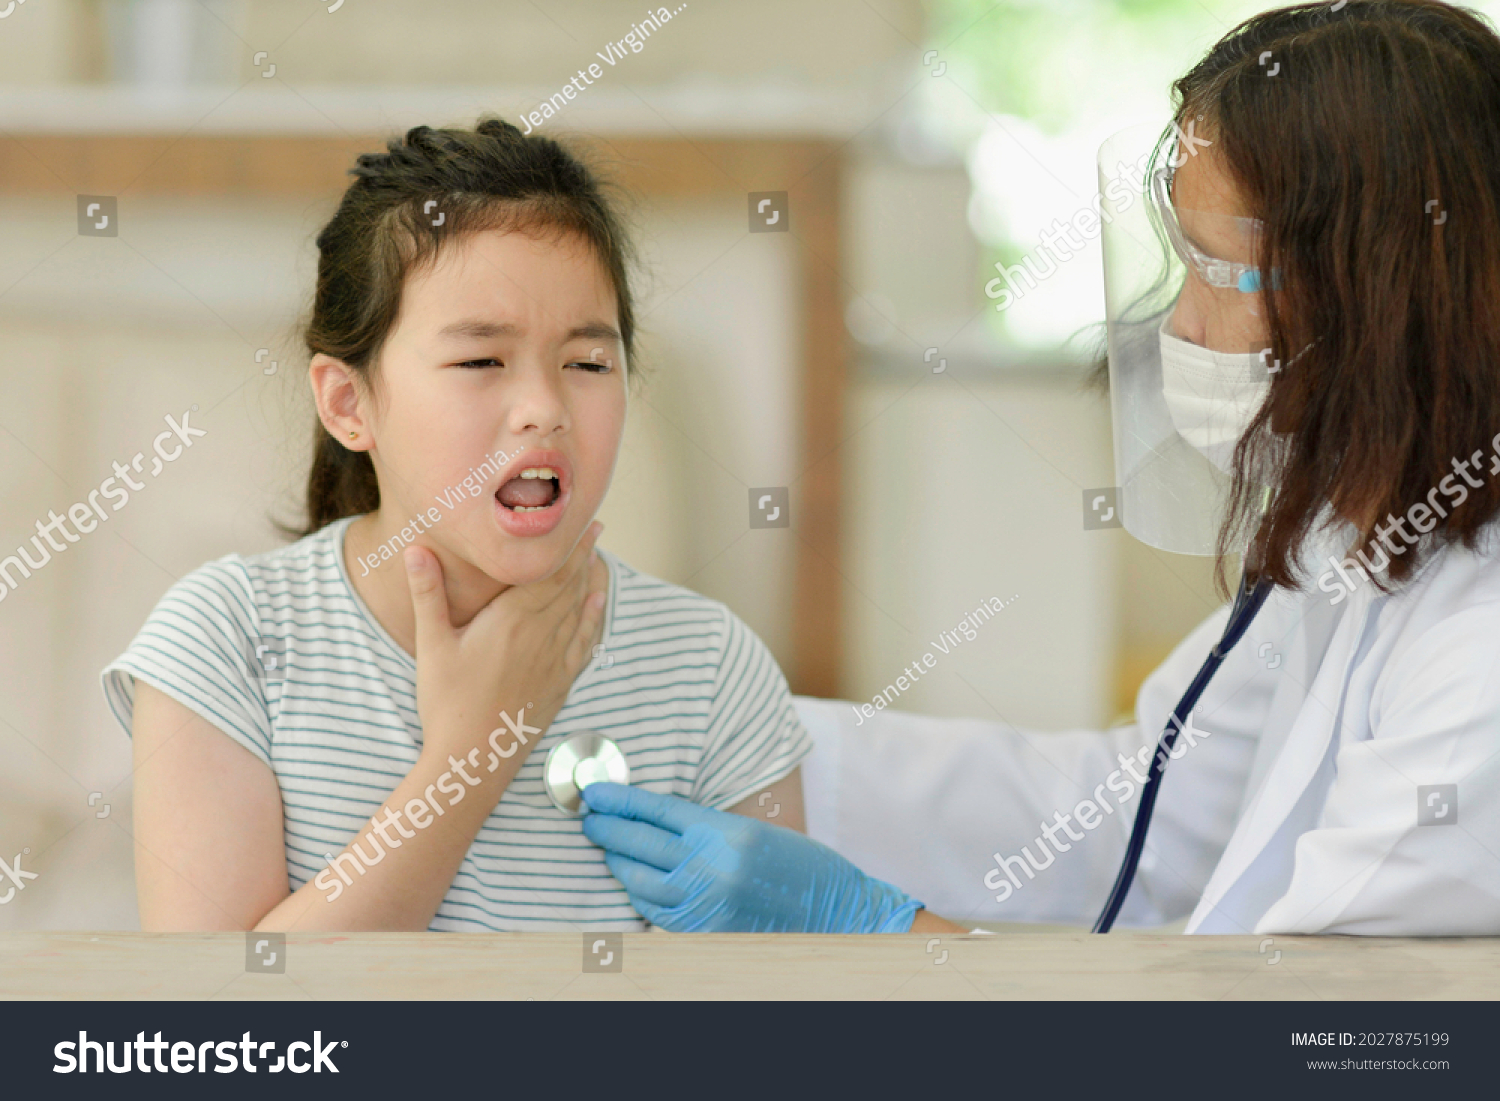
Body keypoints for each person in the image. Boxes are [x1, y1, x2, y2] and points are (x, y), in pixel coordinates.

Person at [579, 0, 1500, 936]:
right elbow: (1131, 813)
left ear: (1376, 298)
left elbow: (1305, 1045)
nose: (1178, 325)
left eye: (1214, 271)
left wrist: (875, 934)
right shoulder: (1354, 544)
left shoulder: (1479, 672)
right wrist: (725, 734)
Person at [100, 118, 811, 933]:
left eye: (587, 362)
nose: (545, 408)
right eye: (481, 361)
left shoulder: (711, 670)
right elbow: (218, 1037)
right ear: (349, 402)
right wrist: (470, 755)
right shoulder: (226, 641)